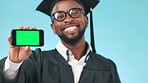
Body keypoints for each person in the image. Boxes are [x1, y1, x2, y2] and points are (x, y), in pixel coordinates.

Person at [0, 0, 121, 83]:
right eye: (59, 15)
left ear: (86, 20)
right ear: (53, 27)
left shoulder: (106, 66)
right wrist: (14, 64)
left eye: (75, 12)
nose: (68, 19)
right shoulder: (37, 61)